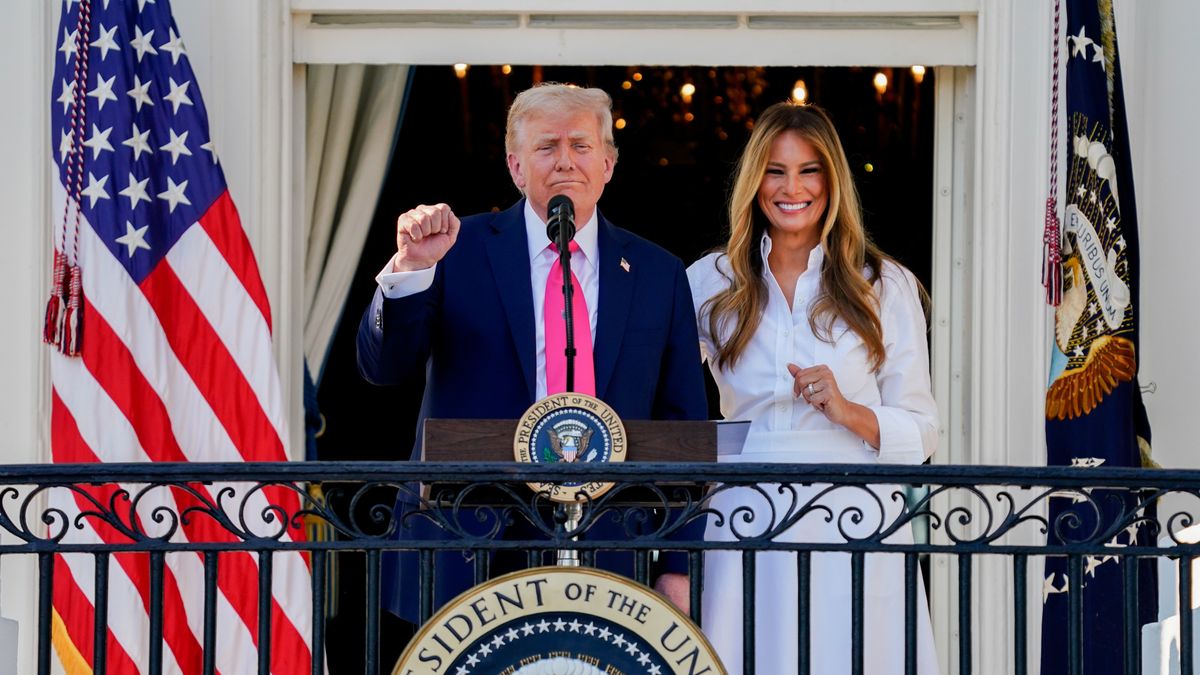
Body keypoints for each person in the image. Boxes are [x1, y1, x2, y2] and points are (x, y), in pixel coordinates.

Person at [357, 83, 707, 623]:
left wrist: (680, 563)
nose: (565, 160)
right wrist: (410, 270)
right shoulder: (455, 250)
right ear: (516, 167)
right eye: (547, 147)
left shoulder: (658, 272)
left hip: (608, 545)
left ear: (609, 163)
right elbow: (383, 369)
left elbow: (684, 424)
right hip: (465, 540)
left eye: (581, 145)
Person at [687, 102, 939, 674]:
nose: (791, 187)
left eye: (809, 170)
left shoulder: (885, 284)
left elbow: (923, 430)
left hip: (855, 513)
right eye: (775, 171)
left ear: (832, 181)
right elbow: (664, 397)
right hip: (743, 512)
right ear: (755, 182)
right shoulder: (707, 281)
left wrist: (848, 411)